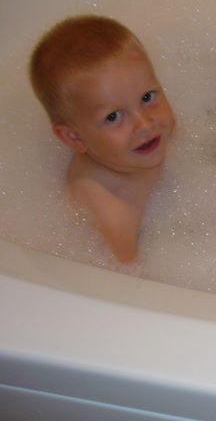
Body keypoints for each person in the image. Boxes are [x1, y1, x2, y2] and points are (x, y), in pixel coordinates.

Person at [29, 15, 176, 262]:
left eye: (148, 97)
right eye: (113, 117)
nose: (145, 123)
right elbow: (125, 281)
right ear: (74, 137)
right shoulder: (105, 206)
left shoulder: (153, 128)